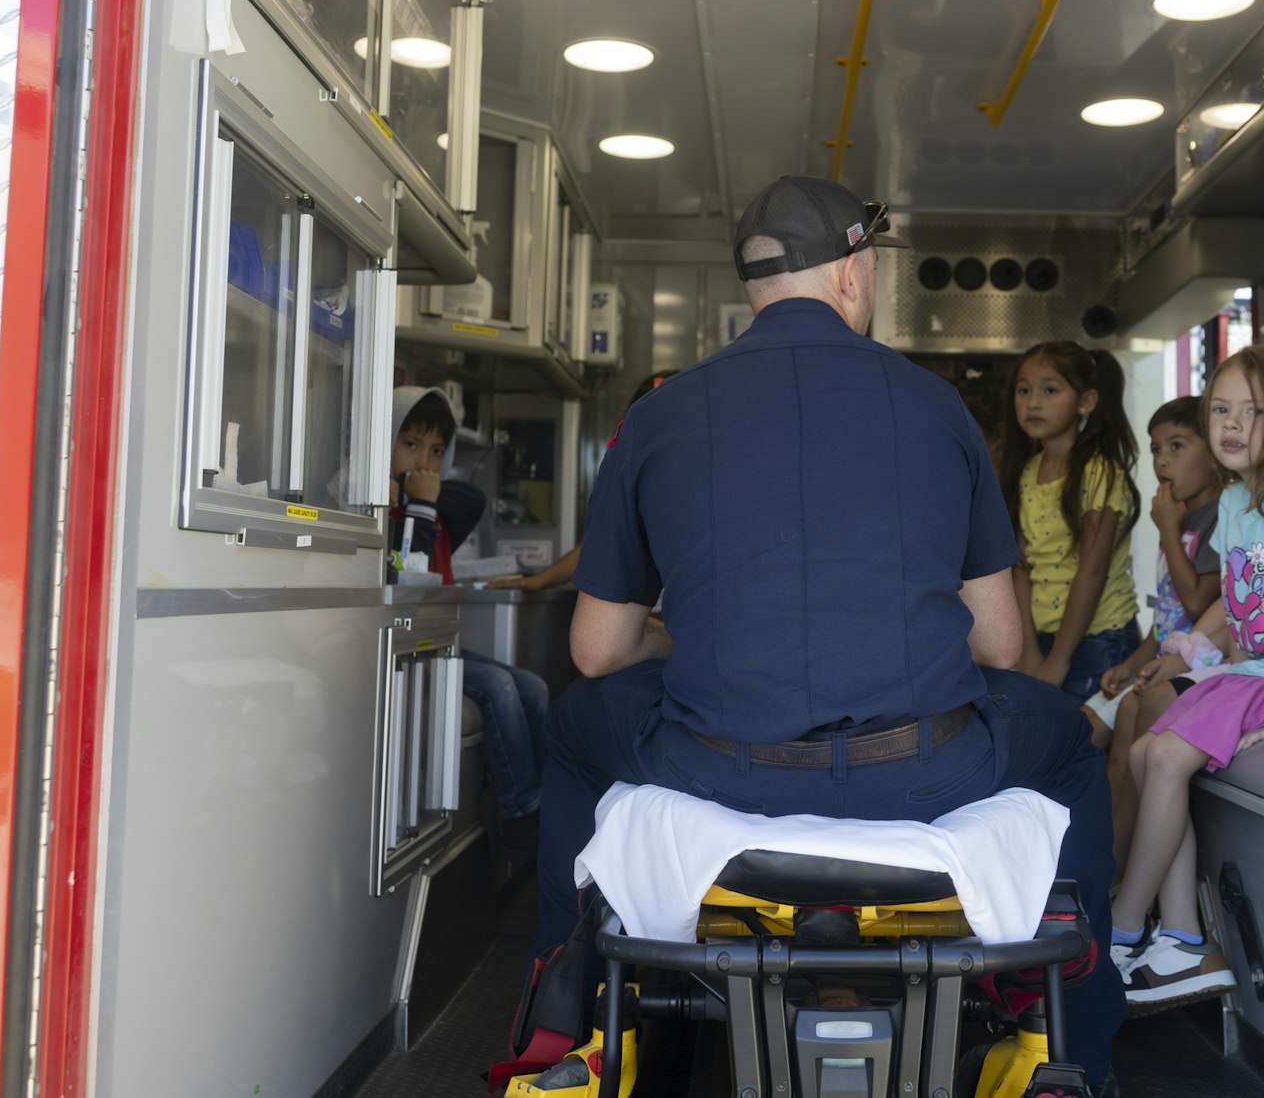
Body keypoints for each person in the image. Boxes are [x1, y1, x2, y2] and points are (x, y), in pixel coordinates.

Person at [516, 176, 1123, 1089]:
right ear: (854, 272)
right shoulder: (938, 408)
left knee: (570, 728)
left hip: (719, 765)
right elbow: (1000, 647)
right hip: (926, 767)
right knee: (1073, 745)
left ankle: (577, 1030)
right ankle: (1056, 1039)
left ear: (753, 287)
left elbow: (597, 652)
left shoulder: (660, 414)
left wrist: (689, 643)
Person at [1107, 347, 1264, 1007]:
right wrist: (1192, 642)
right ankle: (1184, 939)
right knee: (1143, 753)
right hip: (1244, 670)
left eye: (1254, 412)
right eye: (1221, 409)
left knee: (1161, 756)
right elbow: (1235, 594)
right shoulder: (1234, 504)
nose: (1233, 424)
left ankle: (1125, 926)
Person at [388, 386, 548, 857]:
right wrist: (415, 502)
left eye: (437, 451)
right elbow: (408, 569)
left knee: (533, 687)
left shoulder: (437, 507)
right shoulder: (383, 511)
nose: (426, 463)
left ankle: (543, 805)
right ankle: (521, 819)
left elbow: (470, 499)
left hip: (442, 645)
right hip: (407, 651)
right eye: (411, 445)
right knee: (497, 687)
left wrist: (422, 498)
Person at [1089, 397, 1225, 866]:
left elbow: (1196, 602)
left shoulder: (1215, 520)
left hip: (1198, 665)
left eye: (1177, 446)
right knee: (1090, 736)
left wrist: (1168, 529)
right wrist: (1128, 664)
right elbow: (1166, 617)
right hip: (1158, 657)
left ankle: (1118, 864)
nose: (1162, 459)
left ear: (1214, 452)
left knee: (1128, 731)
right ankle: (1105, 857)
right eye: (1155, 449)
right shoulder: (1181, 517)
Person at [999, 342, 1144, 700]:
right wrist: (1030, 651)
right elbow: (1020, 568)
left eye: (1050, 390)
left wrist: (1060, 659)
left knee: (1082, 747)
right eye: (1024, 390)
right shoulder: (1025, 473)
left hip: (1099, 638)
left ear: (1086, 402)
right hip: (1043, 641)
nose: (1033, 402)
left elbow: (1091, 572)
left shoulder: (1099, 474)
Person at [488, 371, 680, 593]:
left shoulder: (705, 481)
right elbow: (596, 546)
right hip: (645, 616)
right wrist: (539, 581)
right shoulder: (628, 476)